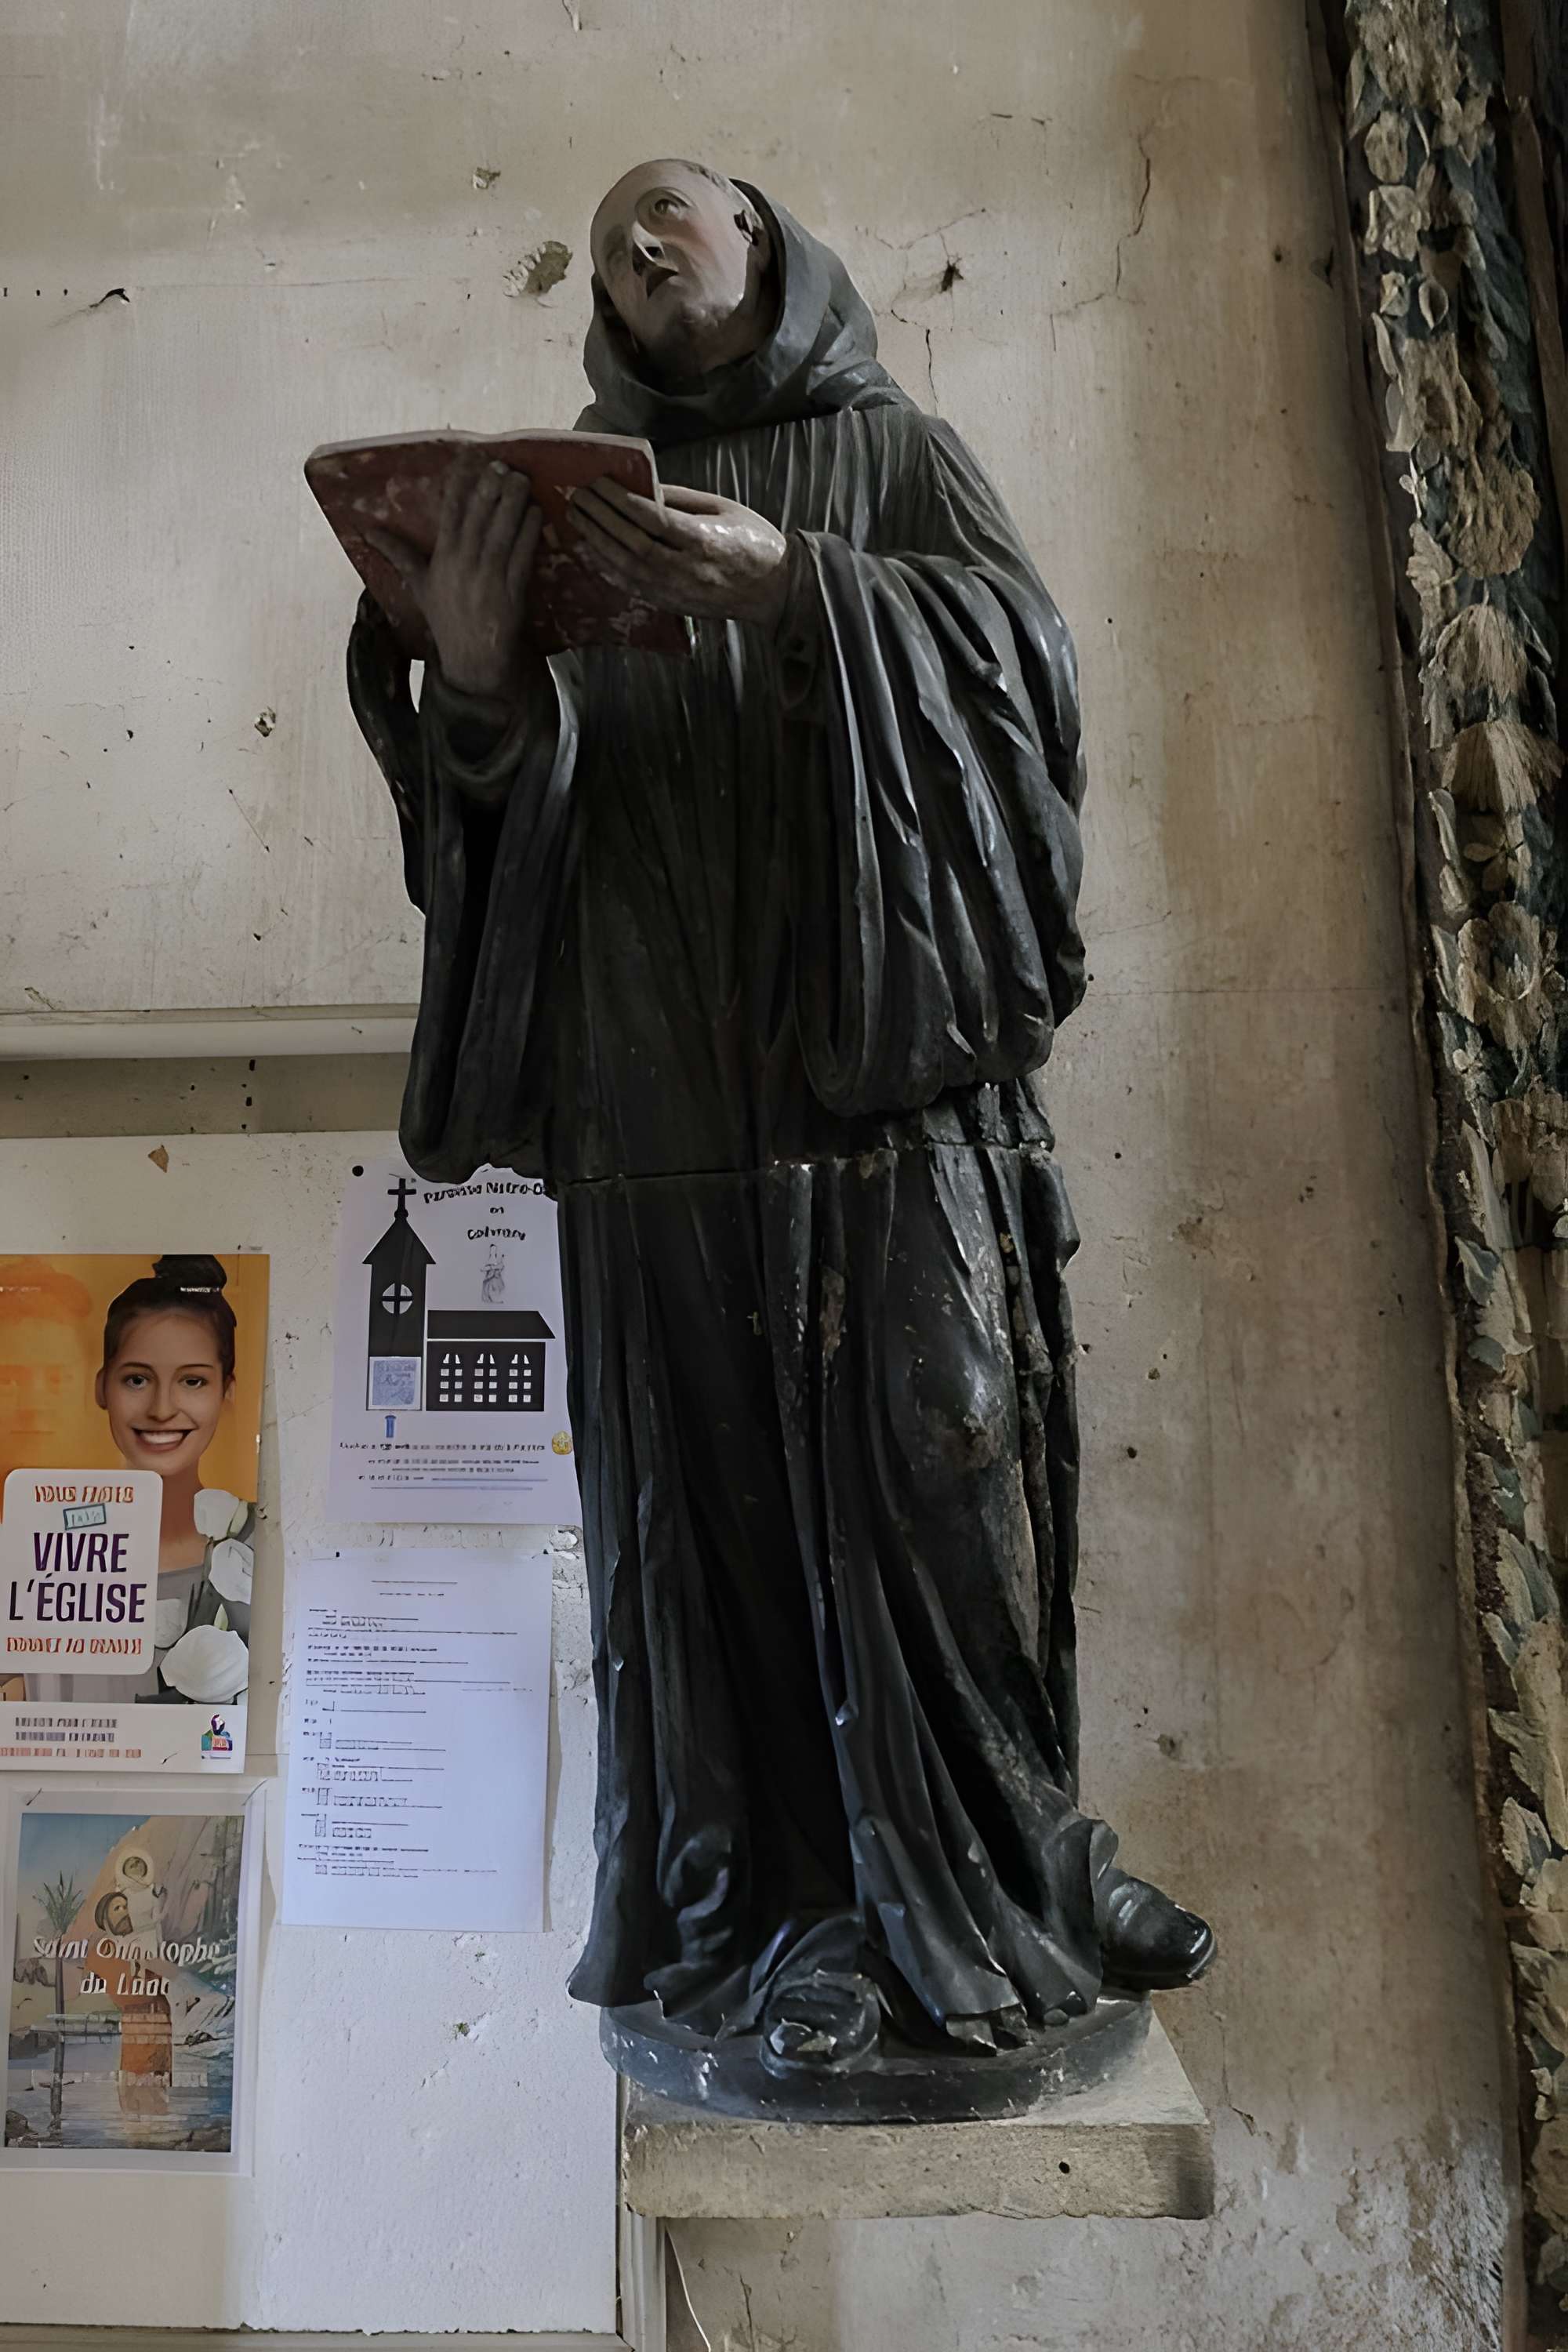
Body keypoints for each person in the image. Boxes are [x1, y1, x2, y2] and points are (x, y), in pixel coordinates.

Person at [349, 159, 1214, 2078]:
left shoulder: (897, 458)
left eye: (666, 211)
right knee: (718, 1527)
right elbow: (494, 814)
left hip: (885, 1091)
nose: (634, 247)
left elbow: (1030, 689)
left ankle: (1015, 1865)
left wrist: (802, 587)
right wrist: (476, 684)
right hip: (661, 1100)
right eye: (598, 247)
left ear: (764, 237)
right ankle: (784, 1926)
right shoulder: (561, 492)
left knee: (949, 1459)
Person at [19, 1256, 252, 1708]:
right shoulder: (41, 1545)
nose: (163, 1408)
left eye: (192, 1380)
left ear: (227, 1391)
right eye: (138, 1379)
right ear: (102, 1387)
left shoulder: (256, 1547)